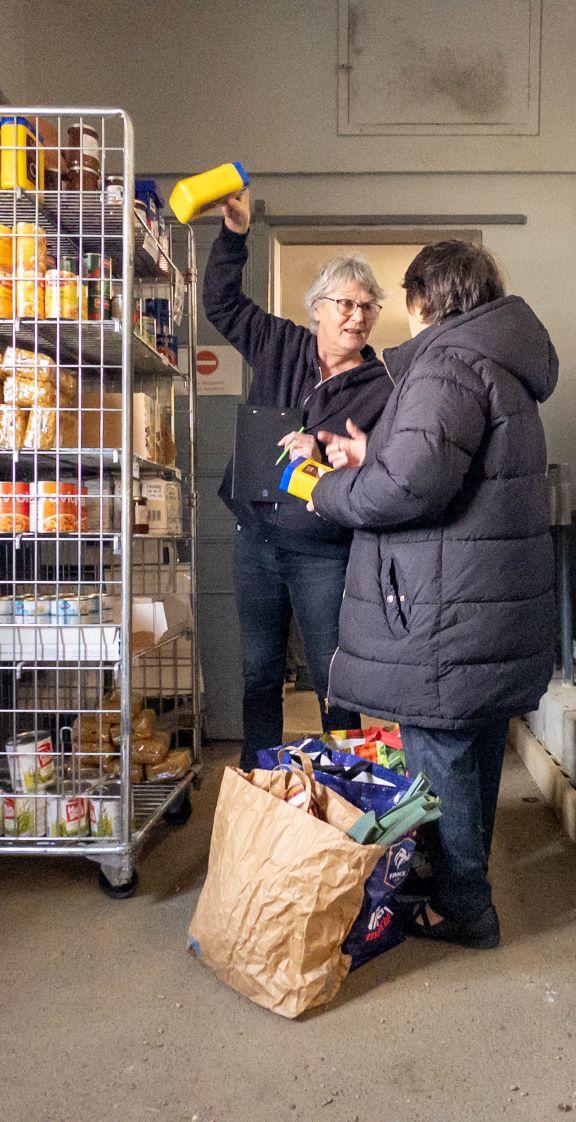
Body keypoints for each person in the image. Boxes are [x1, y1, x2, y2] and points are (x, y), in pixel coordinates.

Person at [308, 240, 558, 949]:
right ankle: (460, 882)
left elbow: (411, 486)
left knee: (440, 748)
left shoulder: (447, 363)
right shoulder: (498, 363)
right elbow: (440, 460)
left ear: (426, 300)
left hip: (447, 607)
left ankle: (466, 905)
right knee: (471, 741)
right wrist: (372, 452)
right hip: (484, 599)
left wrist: (331, 488)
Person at [203, 189, 395, 771]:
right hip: (257, 542)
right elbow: (220, 302)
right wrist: (234, 236)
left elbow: (385, 461)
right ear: (316, 307)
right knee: (259, 672)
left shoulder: (383, 384)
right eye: (345, 304)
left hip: (323, 553)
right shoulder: (279, 343)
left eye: (367, 307)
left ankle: (344, 785)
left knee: (332, 676)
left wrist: (334, 451)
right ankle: (262, 782)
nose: (356, 316)